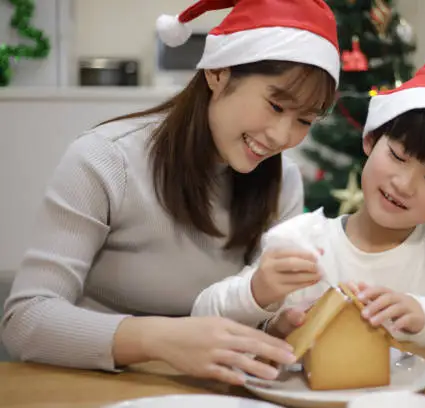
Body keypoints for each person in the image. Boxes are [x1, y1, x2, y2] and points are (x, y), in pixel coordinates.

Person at [1, 0, 341, 386]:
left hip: (211, 388)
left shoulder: (284, 183)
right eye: (276, 104)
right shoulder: (106, 159)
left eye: (304, 120)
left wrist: (278, 321)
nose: (283, 137)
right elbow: (25, 319)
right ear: (218, 72)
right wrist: (161, 340)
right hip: (92, 383)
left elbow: (257, 323)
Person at [191, 60, 425, 364]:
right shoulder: (303, 241)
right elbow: (202, 317)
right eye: (398, 156)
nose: (404, 184)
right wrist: (259, 296)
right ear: (370, 142)